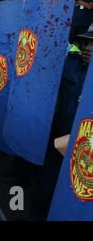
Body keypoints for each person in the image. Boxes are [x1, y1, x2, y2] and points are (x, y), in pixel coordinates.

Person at [30, 30, 92, 220]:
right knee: (45, 186)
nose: (88, 48)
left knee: (74, 194)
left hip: (84, 148)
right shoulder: (71, 63)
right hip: (59, 136)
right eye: (86, 43)